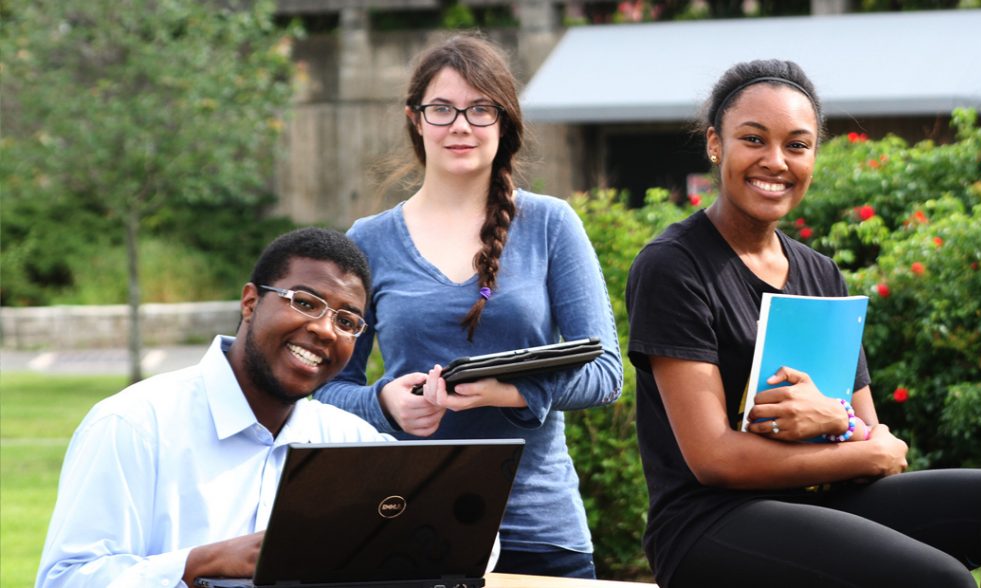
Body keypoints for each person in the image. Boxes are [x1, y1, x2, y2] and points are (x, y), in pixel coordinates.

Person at [625, 59, 981, 588]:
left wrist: (841, 425)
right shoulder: (673, 265)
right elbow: (714, 458)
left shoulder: (819, 272)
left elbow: (869, 440)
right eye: (753, 139)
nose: (775, 161)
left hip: (827, 501)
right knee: (939, 579)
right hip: (708, 521)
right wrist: (863, 442)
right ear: (715, 145)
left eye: (796, 144)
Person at [313, 35, 623, 579]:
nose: (460, 125)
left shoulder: (552, 225)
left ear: (504, 122)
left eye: (481, 109)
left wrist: (515, 391)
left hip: (538, 526)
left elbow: (605, 373)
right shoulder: (368, 240)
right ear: (416, 119)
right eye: (442, 109)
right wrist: (383, 403)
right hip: (409, 518)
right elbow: (323, 387)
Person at [36, 227, 394, 588]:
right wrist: (198, 564)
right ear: (250, 303)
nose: (326, 330)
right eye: (304, 302)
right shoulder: (134, 425)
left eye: (346, 321)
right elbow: (64, 579)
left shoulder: (354, 445)